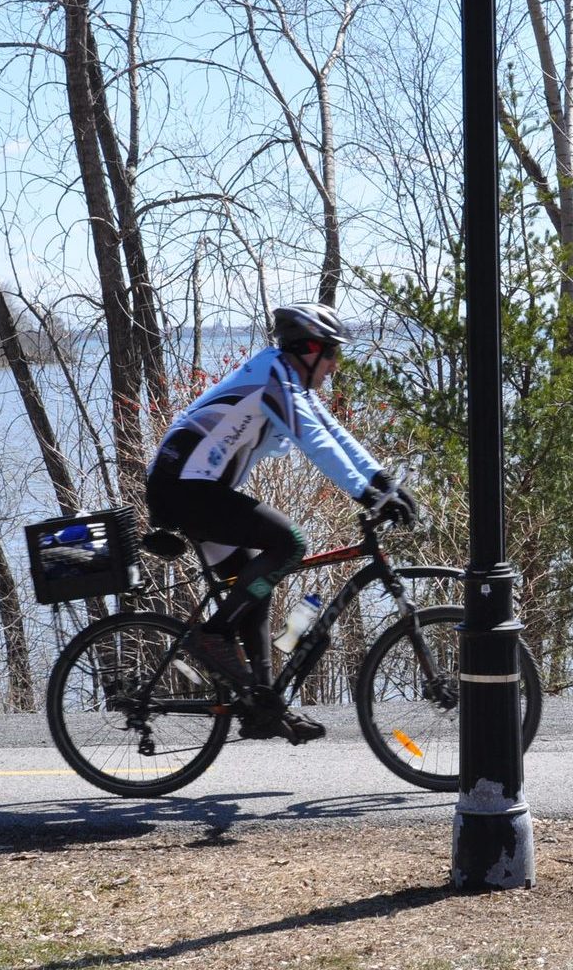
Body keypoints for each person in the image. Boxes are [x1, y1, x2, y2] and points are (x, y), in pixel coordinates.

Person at [145, 302, 419, 743]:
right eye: (330, 354)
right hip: (184, 489)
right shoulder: (273, 380)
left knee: (256, 587)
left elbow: (333, 432)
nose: (334, 365)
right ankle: (214, 636)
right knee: (289, 543)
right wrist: (366, 494)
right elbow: (315, 445)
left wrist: (382, 482)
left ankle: (264, 706)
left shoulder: (286, 379)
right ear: (307, 348)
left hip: (196, 490)